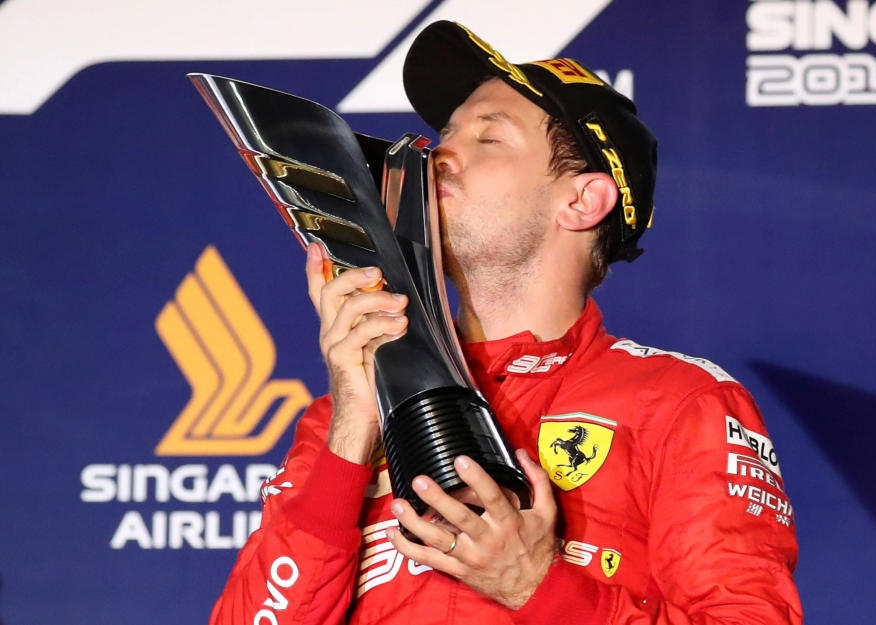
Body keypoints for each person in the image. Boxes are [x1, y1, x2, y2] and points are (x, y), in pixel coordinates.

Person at [209, 20, 803, 625]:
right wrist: (349, 433)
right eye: (444, 134)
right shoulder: (345, 416)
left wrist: (534, 586)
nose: (437, 154)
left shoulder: (678, 403)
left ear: (581, 201)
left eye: (488, 139)